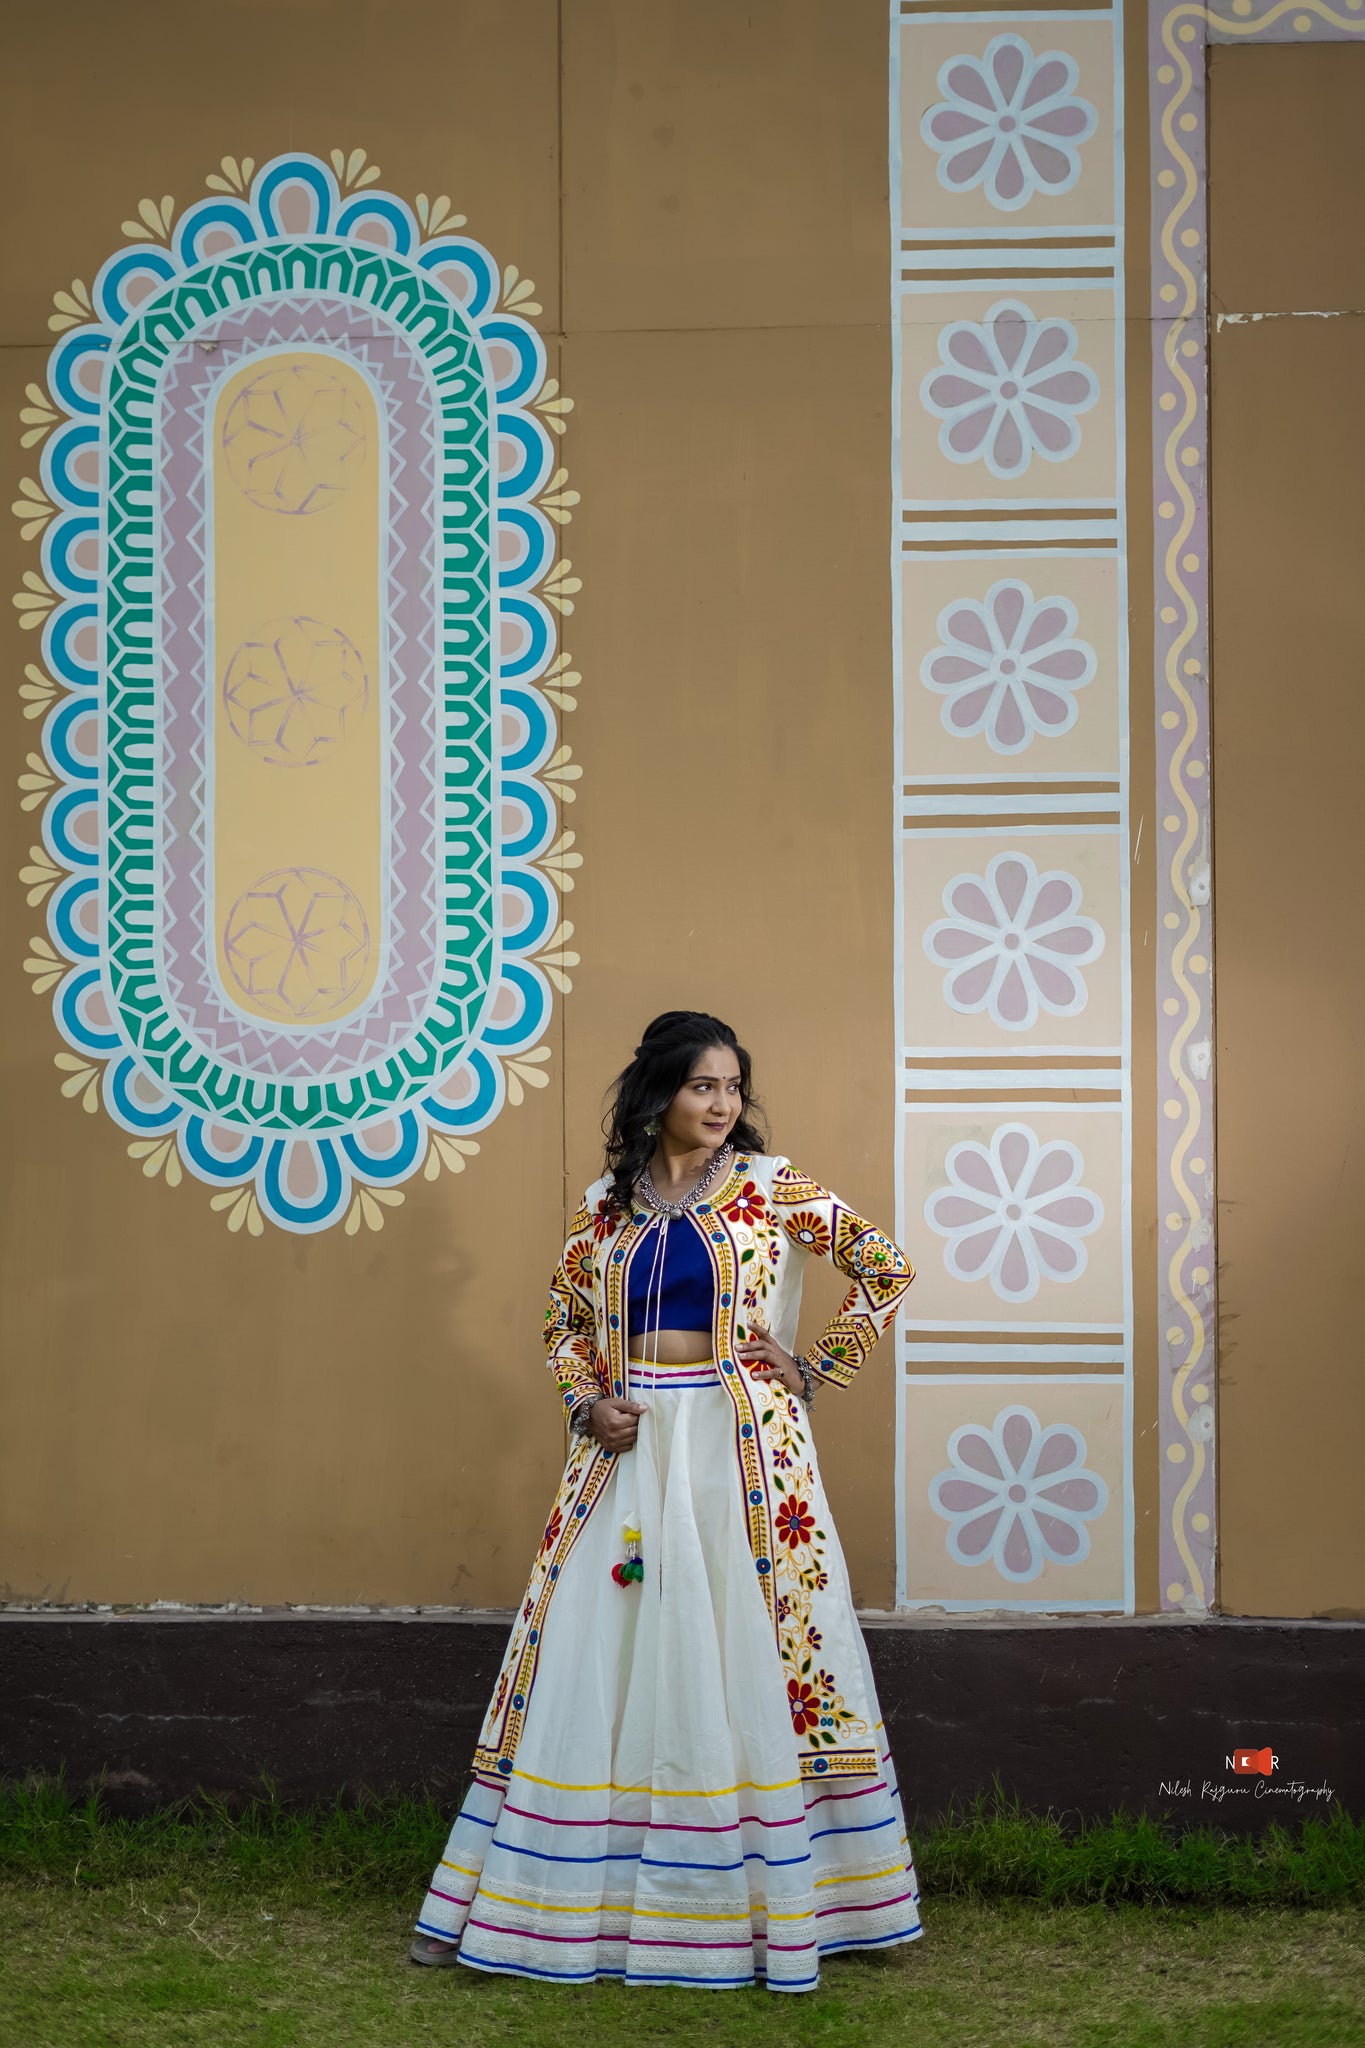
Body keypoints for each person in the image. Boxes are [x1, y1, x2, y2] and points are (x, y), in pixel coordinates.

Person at [409, 1009, 923, 1991]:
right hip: (629, 1448)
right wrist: (584, 1400)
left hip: (739, 1454)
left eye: (734, 1087)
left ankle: (777, 1906)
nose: (723, 1104)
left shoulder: (776, 1190)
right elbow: (563, 1320)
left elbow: (884, 1269)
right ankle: (541, 1902)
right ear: (659, 1093)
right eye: (703, 1086)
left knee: (732, 1647)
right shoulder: (606, 1205)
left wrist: (816, 1365)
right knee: (593, 1650)